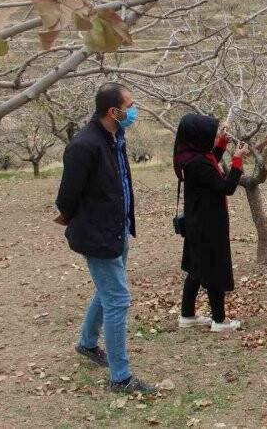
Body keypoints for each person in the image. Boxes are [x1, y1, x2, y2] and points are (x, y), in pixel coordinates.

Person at [55, 83, 155, 394]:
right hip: (99, 235)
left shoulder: (114, 138)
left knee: (107, 290)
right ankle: (120, 377)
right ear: (114, 111)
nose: (134, 111)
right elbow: (66, 198)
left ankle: (87, 343)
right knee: (118, 299)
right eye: (131, 105)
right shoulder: (84, 146)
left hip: (117, 230)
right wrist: (85, 222)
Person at [174, 113, 251, 332]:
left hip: (197, 220)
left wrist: (223, 141)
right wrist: (237, 160)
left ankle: (187, 315)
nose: (213, 135)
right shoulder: (198, 163)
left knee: (196, 268)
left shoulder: (191, 156)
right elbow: (226, 187)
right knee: (214, 268)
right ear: (198, 136)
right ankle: (220, 321)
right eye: (211, 133)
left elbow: (211, 161)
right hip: (208, 224)